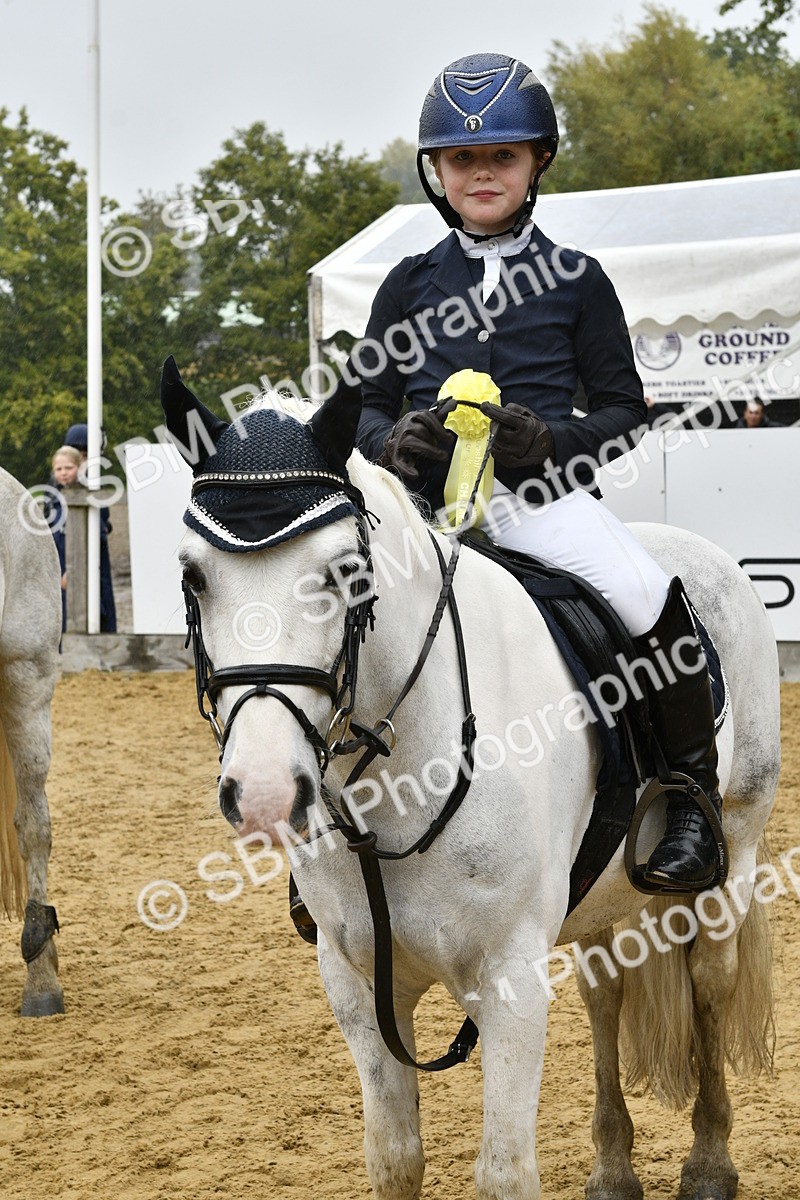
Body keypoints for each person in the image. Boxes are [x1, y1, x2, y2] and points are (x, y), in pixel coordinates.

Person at [354, 52, 724, 891]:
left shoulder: (580, 282)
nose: (482, 173)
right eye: (462, 160)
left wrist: (551, 444)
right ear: (437, 172)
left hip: (540, 501)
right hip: (420, 512)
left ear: (539, 161)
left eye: (503, 157)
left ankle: (691, 798)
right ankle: (327, 834)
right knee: (335, 616)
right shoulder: (406, 284)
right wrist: (390, 442)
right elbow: (367, 405)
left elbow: (626, 410)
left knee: (646, 596)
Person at [60, 422, 118, 633]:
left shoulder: (93, 483)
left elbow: (103, 518)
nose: (85, 462)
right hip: (69, 558)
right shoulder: (59, 487)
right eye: (82, 455)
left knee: (100, 606)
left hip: (94, 560)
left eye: (87, 456)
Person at [46, 446, 83, 633]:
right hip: (56, 562)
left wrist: (72, 570)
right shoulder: (52, 498)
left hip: (78, 564)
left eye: (69, 468)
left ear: (79, 467)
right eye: (59, 469)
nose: (64, 473)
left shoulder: (87, 496)